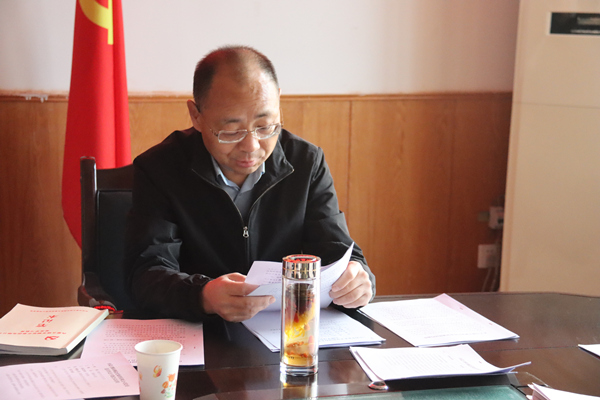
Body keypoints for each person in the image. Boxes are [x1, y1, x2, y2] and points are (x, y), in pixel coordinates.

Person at [125, 45, 375, 322]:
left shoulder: (306, 163)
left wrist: (357, 280)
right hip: (199, 330)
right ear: (196, 115)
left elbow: (338, 251)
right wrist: (203, 296)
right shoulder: (160, 169)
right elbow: (146, 274)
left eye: (265, 126)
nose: (251, 146)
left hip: (283, 330)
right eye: (231, 131)